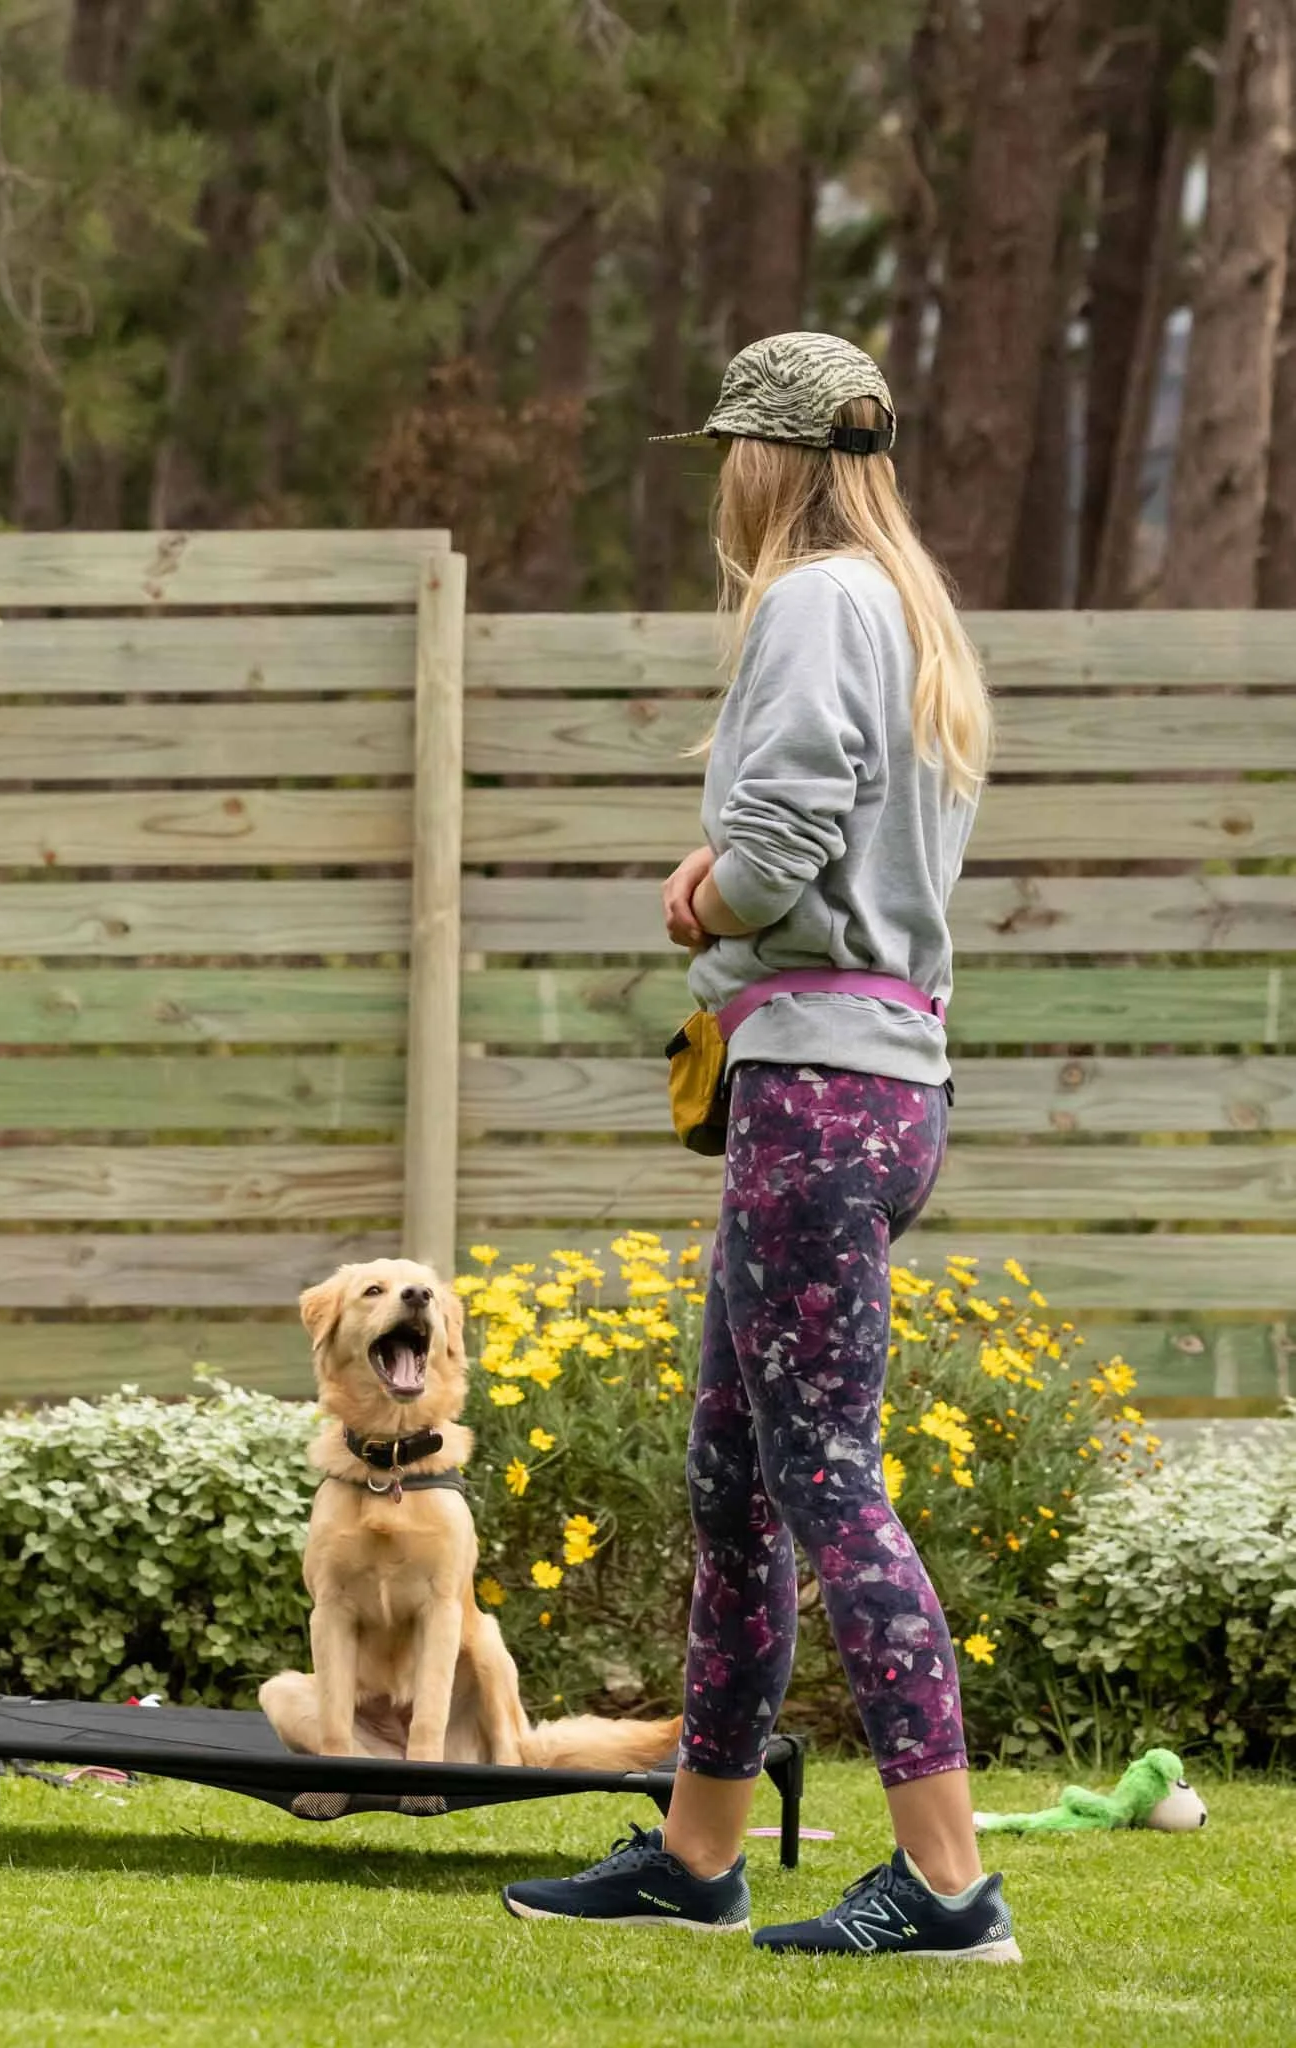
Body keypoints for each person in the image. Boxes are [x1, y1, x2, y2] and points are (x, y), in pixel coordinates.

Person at [501, 332, 1017, 1962]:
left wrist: (705, 890)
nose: (721, 478)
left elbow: (789, 838)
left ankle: (950, 1886)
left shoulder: (812, 601)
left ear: (769, 461)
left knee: (826, 1480)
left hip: (815, 1088)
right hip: (883, 1079)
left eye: (730, 451)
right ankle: (698, 1856)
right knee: (738, 1483)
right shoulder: (912, 611)